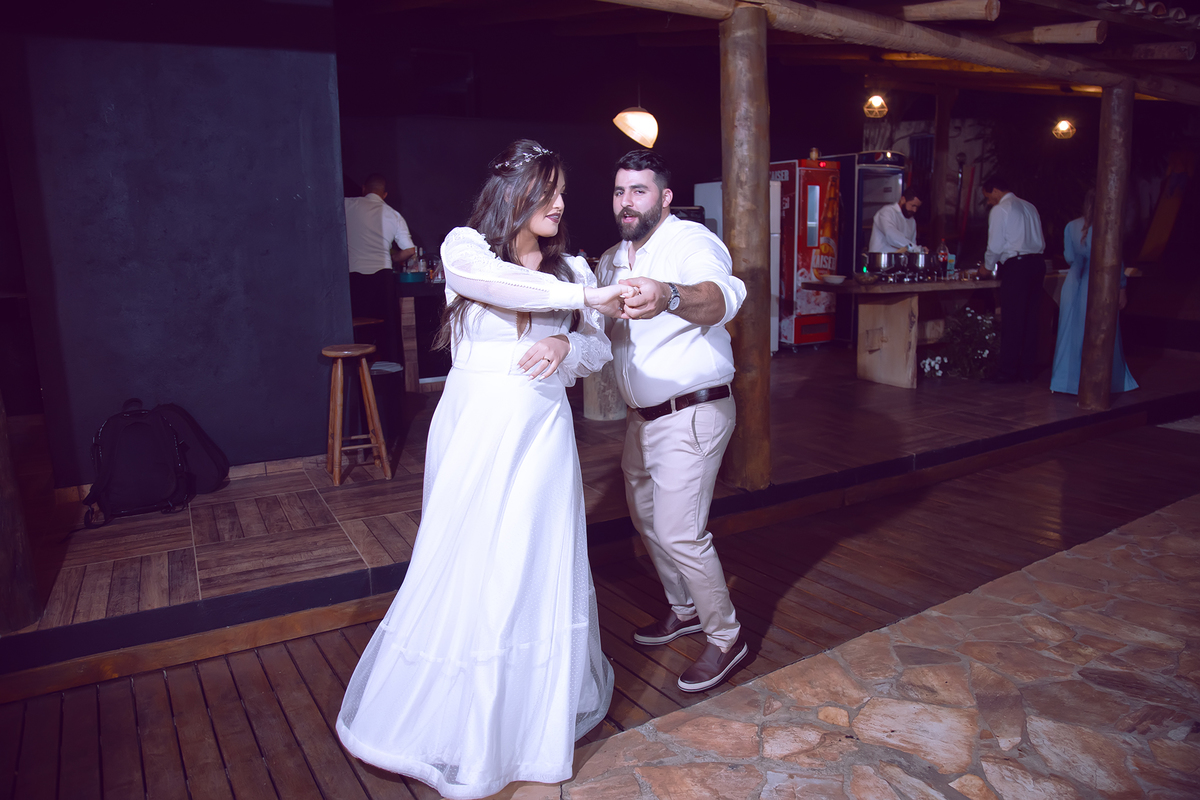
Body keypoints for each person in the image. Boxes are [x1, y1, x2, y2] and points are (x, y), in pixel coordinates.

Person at [337, 141, 624, 800]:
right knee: (468, 559)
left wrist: (566, 339)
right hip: (474, 430)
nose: (559, 203)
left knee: (528, 561)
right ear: (513, 193)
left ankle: (522, 722)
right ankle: (454, 721)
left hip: (541, 433)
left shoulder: (571, 266)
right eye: (547, 189)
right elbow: (497, 286)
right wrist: (586, 295)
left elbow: (598, 347)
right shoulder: (466, 249)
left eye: (562, 191)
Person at [596, 149, 749, 693]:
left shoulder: (691, 242)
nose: (627, 201)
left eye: (639, 191)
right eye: (620, 191)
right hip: (643, 420)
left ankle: (726, 637)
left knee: (681, 532)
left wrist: (669, 295)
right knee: (648, 520)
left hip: (692, 411)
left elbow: (721, 297)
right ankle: (684, 609)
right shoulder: (614, 257)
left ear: (664, 197)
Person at [1051, 189, 1138, 395]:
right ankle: (1102, 381)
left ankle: (1066, 382)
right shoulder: (1109, 227)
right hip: (1100, 280)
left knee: (1070, 332)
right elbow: (1117, 262)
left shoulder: (1071, 226)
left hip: (1074, 281)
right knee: (1102, 330)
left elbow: (1069, 257)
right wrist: (1122, 287)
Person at [343, 174, 416, 363]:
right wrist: (393, 258)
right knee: (387, 330)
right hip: (382, 278)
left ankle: (359, 374)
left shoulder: (346, 205)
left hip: (354, 278)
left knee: (358, 330)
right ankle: (390, 375)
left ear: (363, 189)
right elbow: (409, 250)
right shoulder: (393, 214)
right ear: (384, 194)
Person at [981, 175, 1046, 383]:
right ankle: (1027, 370)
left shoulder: (1001, 209)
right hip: (1037, 264)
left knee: (1012, 319)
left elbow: (995, 245)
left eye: (988, 197)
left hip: (1017, 266)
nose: (989, 202)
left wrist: (987, 267)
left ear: (996, 191)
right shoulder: (1029, 206)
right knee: (1030, 319)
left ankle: (1006, 372)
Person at [868, 185, 922, 253]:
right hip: (881, 259)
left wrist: (917, 249)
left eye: (917, 207)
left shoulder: (912, 221)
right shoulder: (886, 212)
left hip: (899, 259)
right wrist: (915, 248)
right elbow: (891, 235)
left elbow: (913, 246)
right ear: (903, 200)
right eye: (913, 205)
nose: (914, 210)